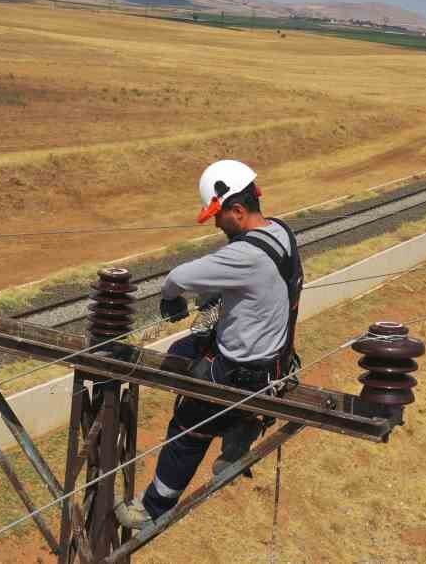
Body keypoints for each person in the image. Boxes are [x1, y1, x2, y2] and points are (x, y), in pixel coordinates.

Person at [115, 159, 304, 532]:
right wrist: (222, 293)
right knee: (178, 355)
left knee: (188, 424)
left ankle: (154, 506)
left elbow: (178, 277)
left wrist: (171, 301)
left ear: (237, 210)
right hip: (276, 361)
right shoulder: (280, 231)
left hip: (241, 370)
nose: (217, 224)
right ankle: (241, 428)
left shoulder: (241, 255)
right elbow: (257, 280)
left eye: (219, 216)